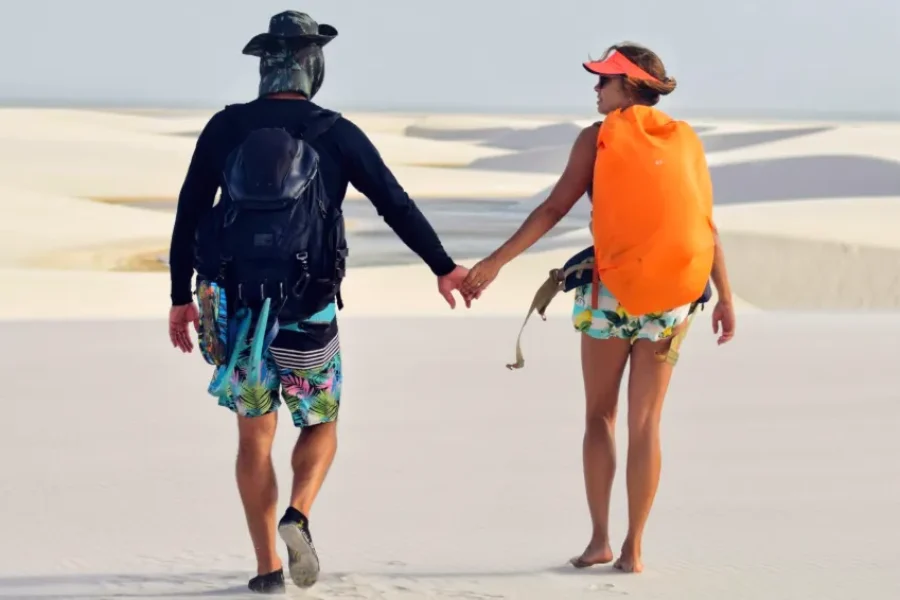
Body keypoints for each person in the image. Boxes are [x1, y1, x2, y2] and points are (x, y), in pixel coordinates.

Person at [166, 11, 470, 594]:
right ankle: (299, 511)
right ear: (312, 65)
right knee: (321, 425)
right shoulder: (334, 131)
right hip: (309, 310)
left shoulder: (225, 129)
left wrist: (180, 297)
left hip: (238, 306)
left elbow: (188, 216)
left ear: (265, 65)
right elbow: (395, 203)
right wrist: (444, 267)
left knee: (254, 436)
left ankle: (266, 571)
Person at [461, 43, 736, 573]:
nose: (595, 88)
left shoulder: (597, 137)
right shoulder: (685, 140)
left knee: (599, 416)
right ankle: (633, 550)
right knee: (647, 422)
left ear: (629, 84)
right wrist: (724, 295)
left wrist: (494, 263)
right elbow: (705, 223)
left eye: (603, 80)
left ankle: (599, 541)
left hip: (609, 294)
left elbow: (553, 208)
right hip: (675, 301)